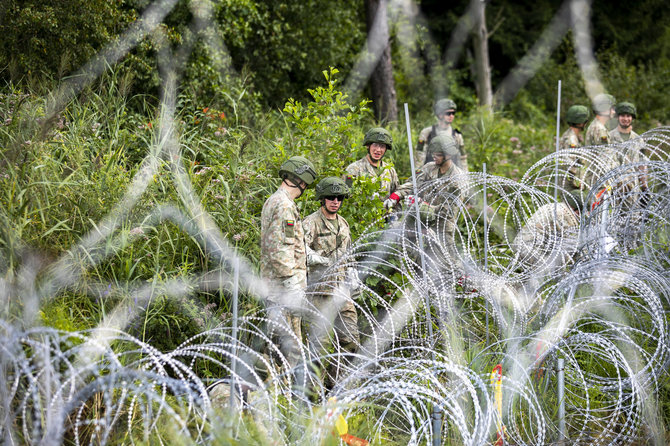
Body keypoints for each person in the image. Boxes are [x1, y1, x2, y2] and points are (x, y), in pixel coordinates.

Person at [260, 155, 317, 374]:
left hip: (277, 288)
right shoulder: (284, 205)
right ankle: (285, 398)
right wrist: (292, 283)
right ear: (302, 181)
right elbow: (279, 250)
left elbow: (287, 242)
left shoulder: (276, 200)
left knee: (279, 345)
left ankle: (276, 392)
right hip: (283, 291)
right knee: (289, 349)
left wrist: (308, 257)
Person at [303, 177, 359, 384]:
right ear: (322, 199)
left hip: (342, 292)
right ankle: (311, 392)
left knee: (351, 342)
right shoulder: (311, 222)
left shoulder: (343, 223)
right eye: (330, 197)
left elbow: (349, 253)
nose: (335, 201)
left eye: (339, 198)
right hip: (319, 294)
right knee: (319, 346)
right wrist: (321, 259)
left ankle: (333, 385)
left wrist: (352, 273)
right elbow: (300, 250)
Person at [385, 134, 466, 268]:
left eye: (438, 154)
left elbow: (447, 210)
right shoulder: (429, 167)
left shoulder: (457, 179)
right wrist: (396, 195)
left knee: (445, 264)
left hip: (441, 226)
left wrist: (422, 205)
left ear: (448, 155)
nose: (434, 156)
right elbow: (412, 184)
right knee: (405, 248)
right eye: (433, 153)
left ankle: (461, 282)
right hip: (419, 219)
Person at [345, 127, 399, 197]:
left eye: (382, 146)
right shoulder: (354, 169)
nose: (378, 150)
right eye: (375, 145)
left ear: (386, 149)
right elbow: (348, 198)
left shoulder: (390, 171)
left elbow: (396, 196)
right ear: (368, 146)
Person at [416, 98, 467, 170]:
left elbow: (462, 159)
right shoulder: (427, 133)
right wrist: (417, 173)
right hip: (430, 174)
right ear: (440, 115)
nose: (451, 116)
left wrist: (465, 177)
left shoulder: (457, 135)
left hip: (451, 175)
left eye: (453, 113)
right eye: (448, 113)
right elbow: (420, 156)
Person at [558, 105, 589, 190]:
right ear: (581, 122)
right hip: (570, 185)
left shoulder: (570, 135)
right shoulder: (572, 140)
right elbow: (570, 164)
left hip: (567, 182)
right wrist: (581, 180)